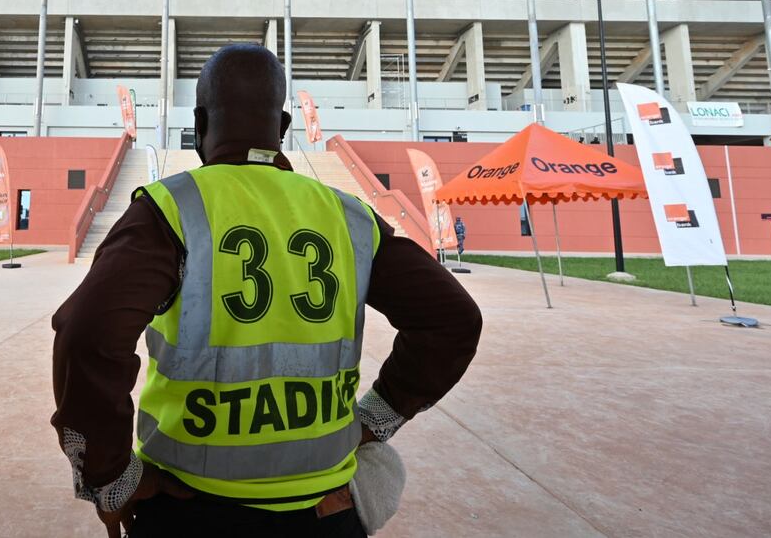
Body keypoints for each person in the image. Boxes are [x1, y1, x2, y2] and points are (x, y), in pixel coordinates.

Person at [51, 44, 482, 537]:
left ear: (198, 123)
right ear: (281, 129)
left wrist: (112, 478)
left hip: (189, 510)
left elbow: (86, 334)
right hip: (325, 513)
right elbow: (454, 319)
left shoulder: (170, 209)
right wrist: (377, 417)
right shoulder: (350, 217)